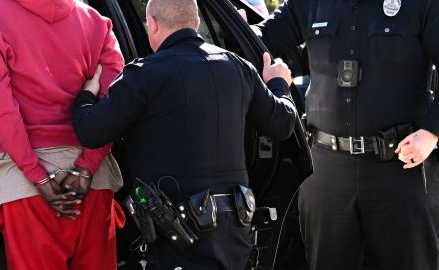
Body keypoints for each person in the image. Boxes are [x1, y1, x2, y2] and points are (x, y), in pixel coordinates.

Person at [72, 0, 297, 269]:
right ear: (197, 22)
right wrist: (279, 83)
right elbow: (283, 124)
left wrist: (86, 95)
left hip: (177, 240)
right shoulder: (238, 67)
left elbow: (90, 131)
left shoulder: (143, 75)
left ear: (152, 24)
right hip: (234, 235)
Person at [250, 0, 439, 269]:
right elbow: (262, 40)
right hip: (327, 174)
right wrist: (237, 30)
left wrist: (432, 133)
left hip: (400, 170)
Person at [0, 0, 126, 269]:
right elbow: (116, 107)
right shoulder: (96, 22)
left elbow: (3, 112)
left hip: (25, 183)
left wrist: (37, 175)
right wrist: (86, 168)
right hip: (92, 181)